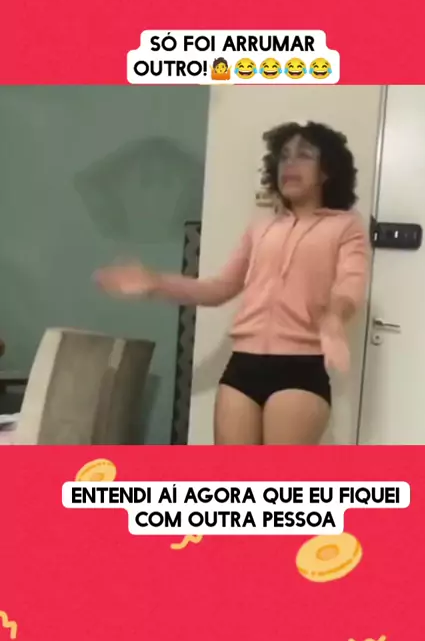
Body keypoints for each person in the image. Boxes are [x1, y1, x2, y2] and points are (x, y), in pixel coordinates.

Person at [94, 121, 369, 446]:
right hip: (242, 366)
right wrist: (156, 282)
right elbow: (220, 288)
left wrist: (335, 317)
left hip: (299, 367)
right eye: (284, 156)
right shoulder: (261, 227)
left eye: (304, 155)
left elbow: (350, 284)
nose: (290, 164)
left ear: (326, 170)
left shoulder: (345, 226)